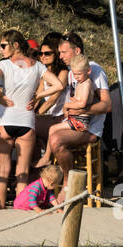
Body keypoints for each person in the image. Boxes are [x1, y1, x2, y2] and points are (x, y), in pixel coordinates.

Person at [0, 31, 64, 207]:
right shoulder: (37, 66)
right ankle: (21, 210)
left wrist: (0, 96)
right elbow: (59, 85)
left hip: (5, 120)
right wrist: (38, 96)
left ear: (15, 45)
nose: (1, 49)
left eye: (4, 45)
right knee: (22, 172)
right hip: (26, 122)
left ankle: (0, 210)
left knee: (3, 170)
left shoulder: (4, 65)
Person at [44, 45, 111, 180]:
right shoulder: (76, 78)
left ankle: (64, 176)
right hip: (75, 119)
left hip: (83, 123)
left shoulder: (88, 81)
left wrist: (69, 105)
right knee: (45, 128)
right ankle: (47, 162)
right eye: (74, 74)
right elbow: (78, 99)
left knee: (54, 135)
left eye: (64, 52)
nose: (76, 77)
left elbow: (85, 104)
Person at [34, 34, 69, 154]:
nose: (42, 57)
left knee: (29, 127)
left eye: (47, 53)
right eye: (40, 53)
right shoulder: (44, 73)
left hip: (60, 118)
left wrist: (35, 115)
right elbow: (38, 96)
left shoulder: (63, 73)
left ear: (56, 53)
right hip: (49, 117)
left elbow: (52, 100)